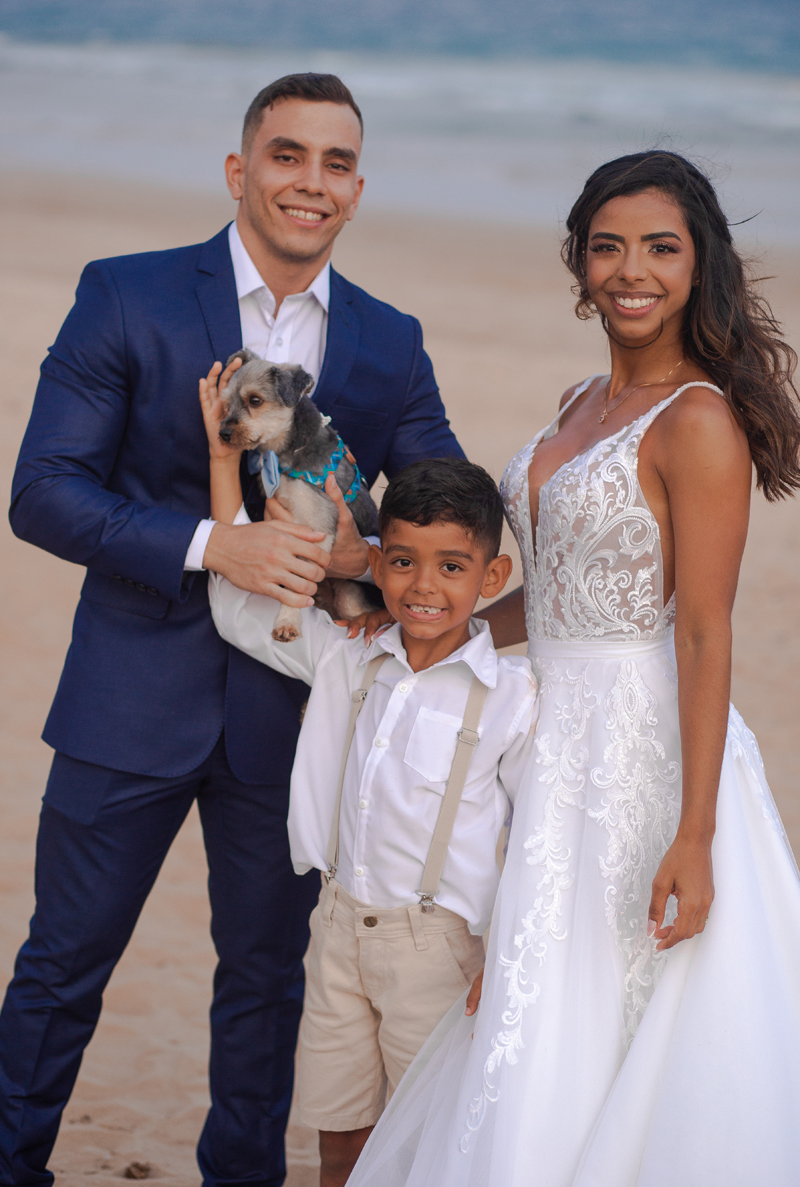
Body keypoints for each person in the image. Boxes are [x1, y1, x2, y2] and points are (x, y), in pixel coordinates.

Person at [0, 73, 462, 1187]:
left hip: (290, 715)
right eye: (287, 154)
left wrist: (360, 558)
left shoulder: (390, 341)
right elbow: (43, 492)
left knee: (264, 986)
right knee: (62, 966)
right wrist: (216, 546)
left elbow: (442, 508)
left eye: (336, 163)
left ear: (357, 190)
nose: (311, 181)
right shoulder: (128, 295)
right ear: (238, 170)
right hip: (129, 696)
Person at [345, 151, 800, 1187]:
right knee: (535, 993)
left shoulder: (699, 422)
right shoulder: (577, 399)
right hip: (547, 742)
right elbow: (551, 599)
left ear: (698, 265)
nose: (630, 271)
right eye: (607, 247)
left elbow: (703, 631)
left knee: (623, 996)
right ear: (578, 264)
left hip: (640, 751)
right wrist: (430, 630)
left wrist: (694, 833)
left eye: (659, 248)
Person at [200, 416, 538, 1187]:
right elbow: (230, 603)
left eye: (452, 567)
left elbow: (535, 838)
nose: (424, 586)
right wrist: (224, 465)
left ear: (492, 577)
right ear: (376, 564)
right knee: (340, 1134)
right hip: (337, 928)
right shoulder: (344, 656)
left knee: (427, 1141)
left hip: (439, 948)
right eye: (404, 562)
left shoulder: (514, 698)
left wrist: (507, 956)